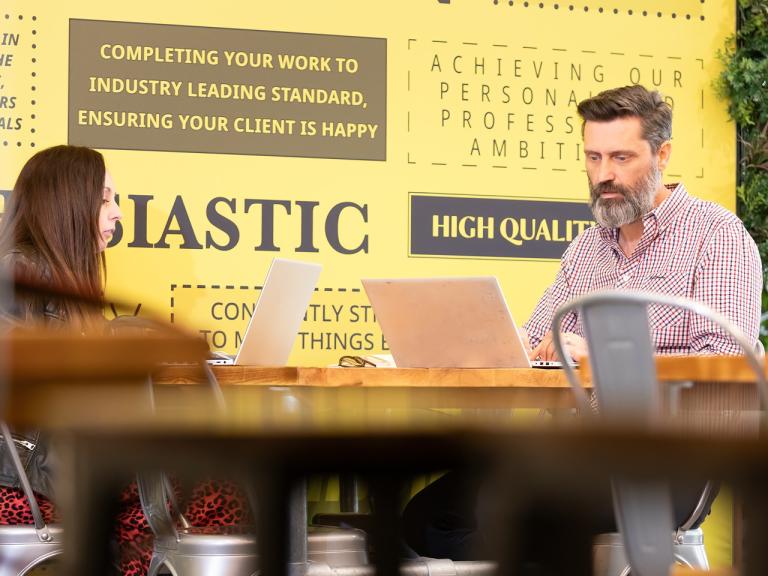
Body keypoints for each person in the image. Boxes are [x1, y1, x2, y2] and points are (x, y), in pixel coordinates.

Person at [402, 85, 762, 570]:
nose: (604, 175)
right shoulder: (585, 248)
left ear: (662, 155)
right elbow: (535, 341)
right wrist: (514, 345)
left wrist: (603, 357)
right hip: (573, 450)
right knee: (425, 518)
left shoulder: (717, 236)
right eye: (593, 157)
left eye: (621, 157)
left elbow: (727, 366)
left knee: (506, 507)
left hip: (672, 460)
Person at [0, 146, 250, 576]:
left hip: (61, 467)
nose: (117, 213)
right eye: (105, 200)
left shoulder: (60, 280)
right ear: (67, 203)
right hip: (27, 478)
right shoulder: (17, 269)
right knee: (213, 488)